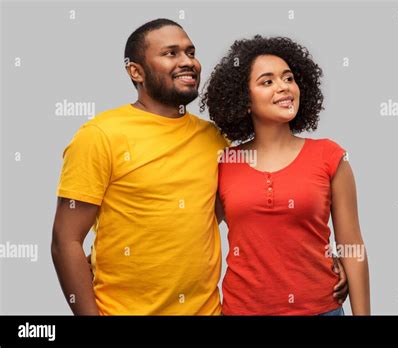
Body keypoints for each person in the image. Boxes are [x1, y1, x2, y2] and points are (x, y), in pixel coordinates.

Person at [51, 19, 348, 315]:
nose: (187, 62)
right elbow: (66, 241)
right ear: (135, 71)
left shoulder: (214, 141)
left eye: (190, 52)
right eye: (171, 54)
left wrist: (320, 264)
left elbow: (248, 213)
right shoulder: (99, 136)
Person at [201, 35, 370, 315]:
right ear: (244, 100)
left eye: (288, 78)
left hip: (321, 309)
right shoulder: (225, 162)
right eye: (267, 82)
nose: (284, 87)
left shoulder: (330, 156)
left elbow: (352, 245)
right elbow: (195, 233)